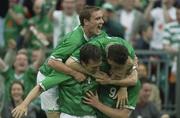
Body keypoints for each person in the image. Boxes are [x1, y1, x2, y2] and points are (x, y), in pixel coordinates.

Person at [36, 5, 105, 118]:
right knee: (54, 115)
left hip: (62, 74)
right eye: (97, 19)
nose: (102, 21)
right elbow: (52, 62)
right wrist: (75, 73)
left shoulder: (95, 33)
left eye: (102, 18)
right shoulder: (75, 40)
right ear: (86, 22)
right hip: (48, 75)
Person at [12, 44, 102, 118]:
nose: (98, 69)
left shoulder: (101, 71)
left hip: (90, 115)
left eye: (99, 66)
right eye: (94, 67)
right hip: (69, 115)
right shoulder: (67, 72)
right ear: (83, 63)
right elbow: (40, 87)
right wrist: (24, 104)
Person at [67, 36, 140, 118]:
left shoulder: (133, 83)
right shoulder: (102, 67)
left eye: (117, 69)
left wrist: (123, 86)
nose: (111, 71)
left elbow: (123, 115)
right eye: (111, 67)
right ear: (108, 60)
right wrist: (93, 74)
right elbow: (69, 62)